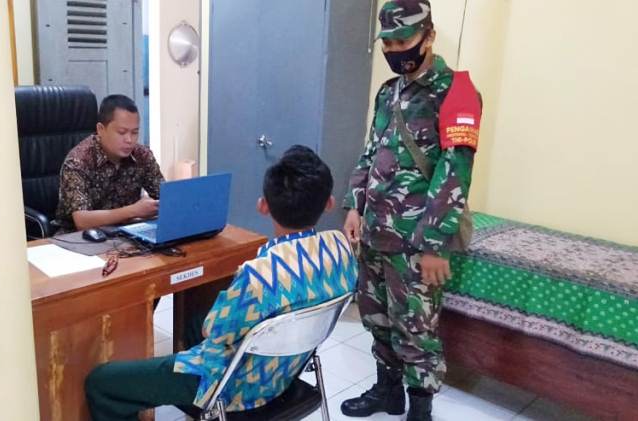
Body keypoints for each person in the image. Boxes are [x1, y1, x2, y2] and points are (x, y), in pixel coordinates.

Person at [84, 145, 359, 421]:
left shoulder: (259, 276)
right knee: (194, 320)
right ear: (329, 203)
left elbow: (213, 330)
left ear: (263, 205)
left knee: (101, 382)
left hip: (234, 388)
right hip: (285, 372)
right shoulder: (341, 251)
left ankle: (197, 400)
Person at [340, 1, 482, 420]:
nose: (395, 51)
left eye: (403, 41)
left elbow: (454, 173)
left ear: (429, 35)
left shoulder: (457, 92)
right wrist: (353, 205)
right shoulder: (389, 92)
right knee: (377, 317)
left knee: (416, 329)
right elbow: (370, 153)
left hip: (417, 241)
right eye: (388, 43)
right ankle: (387, 393)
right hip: (375, 233)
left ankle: (420, 409)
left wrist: (435, 245)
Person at [55, 94, 164, 233]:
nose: (129, 140)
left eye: (134, 132)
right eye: (122, 132)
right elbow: (81, 221)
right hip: (79, 238)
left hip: (127, 233)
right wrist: (133, 211)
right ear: (100, 129)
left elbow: (166, 197)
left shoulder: (142, 155)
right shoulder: (78, 161)